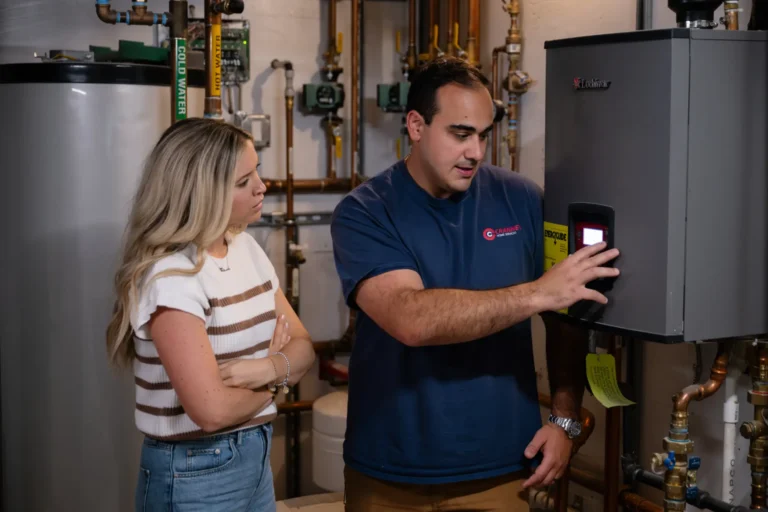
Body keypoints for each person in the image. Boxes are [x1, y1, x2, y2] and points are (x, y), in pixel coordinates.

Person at [329, 57, 620, 511]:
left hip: (501, 467)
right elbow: (411, 319)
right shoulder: (366, 211)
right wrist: (539, 291)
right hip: (389, 470)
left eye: (483, 135)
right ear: (416, 125)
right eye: (460, 133)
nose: (477, 152)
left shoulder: (521, 199)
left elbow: (567, 316)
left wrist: (565, 422)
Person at [105, 117, 316, 512]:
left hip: (255, 456)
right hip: (194, 471)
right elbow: (211, 411)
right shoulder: (171, 277)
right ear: (200, 192)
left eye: (257, 171)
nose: (261, 186)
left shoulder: (247, 248)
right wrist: (278, 381)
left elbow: (304, 348)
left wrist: (266, 369)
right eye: (242, 181)